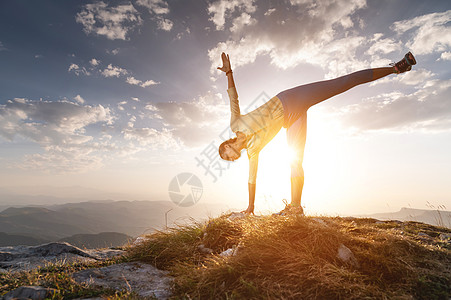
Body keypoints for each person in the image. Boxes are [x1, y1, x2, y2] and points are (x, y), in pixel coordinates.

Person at [217, 52, 416, 215]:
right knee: (295, 161)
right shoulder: (252, 151)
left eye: (227, 157)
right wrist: (250, 208)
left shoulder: (236, 123)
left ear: (226, 146)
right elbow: (252, 179)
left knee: (343, 83)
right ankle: (295, 207)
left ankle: (397, 68)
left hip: (290, 98)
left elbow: (233, 97)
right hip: (292, 120)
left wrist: (229, 73)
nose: (232, 159)